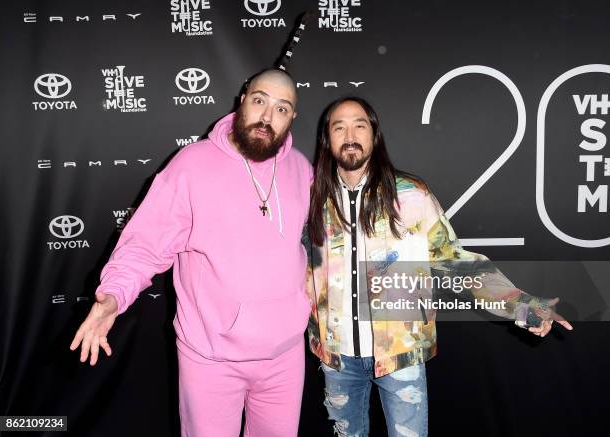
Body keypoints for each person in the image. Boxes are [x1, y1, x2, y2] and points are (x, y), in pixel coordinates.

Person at [303, 96, 573, 437]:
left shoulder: (411, 195)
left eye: (360, 124)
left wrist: (522, 305)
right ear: (327, 138)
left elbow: (455, 263)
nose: (350, 134)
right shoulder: (310, 199)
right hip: (336, 357)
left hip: (400, 355)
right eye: (338, 127)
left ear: (374, 134)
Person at [69, 68, 313, 437]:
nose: (266, 117)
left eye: (281, 109)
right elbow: (146, 245)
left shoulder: (300, 168)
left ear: (292, 117)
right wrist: (113, 297)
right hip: (211, 358)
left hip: (285, 356)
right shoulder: (191, 165)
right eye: (260, 101)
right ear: (242, 99)